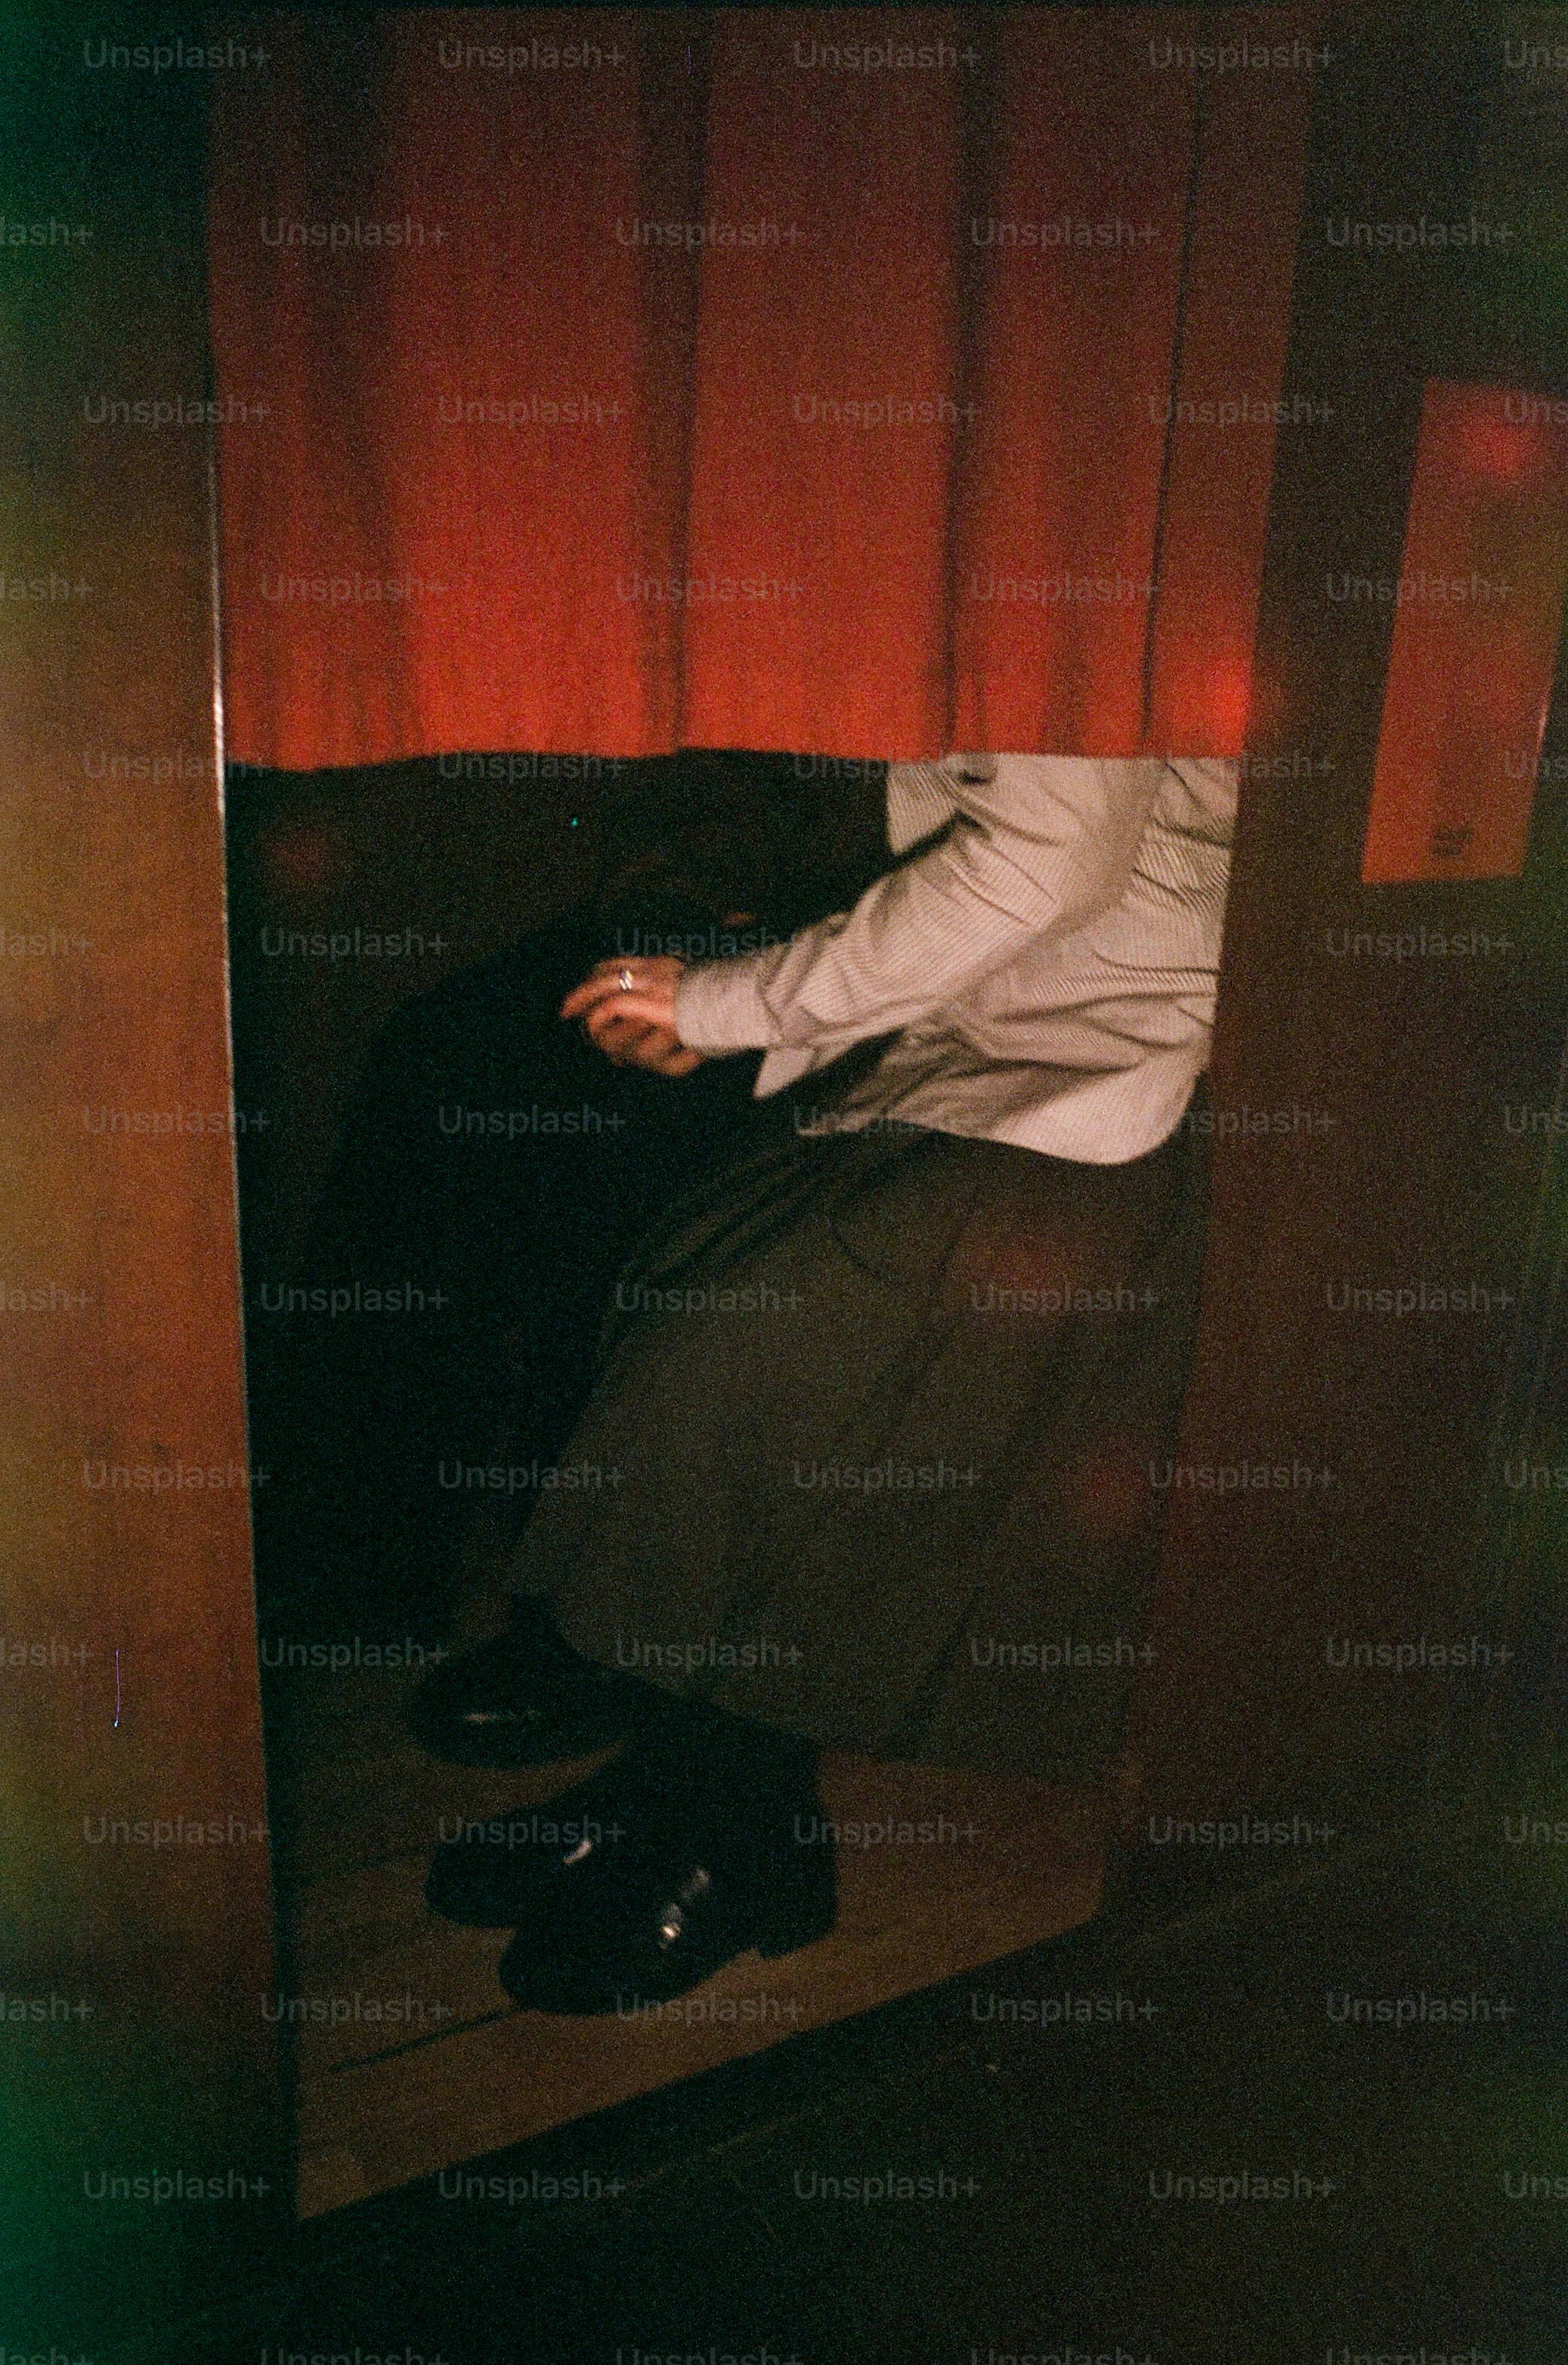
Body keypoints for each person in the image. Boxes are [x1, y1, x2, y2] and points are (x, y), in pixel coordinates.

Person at [417, 751, 1239, 2013]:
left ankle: (747, 1849)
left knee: (760, 1353)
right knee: (693, 1291)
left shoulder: (1074, 566)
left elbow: (1045, 859)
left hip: (1117, 1065)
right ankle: (676, 1781)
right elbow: (953, 808)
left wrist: (727, 1002)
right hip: (1000, 1025)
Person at [249, 752, 889, 1649]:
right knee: (440, 1064)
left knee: (612, 1154)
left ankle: (581, 1616)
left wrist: (728, 962)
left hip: (854, 915)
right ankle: (361, 1565)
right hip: (708, 875)